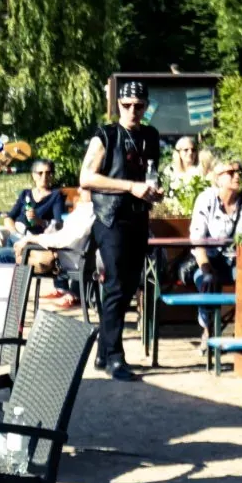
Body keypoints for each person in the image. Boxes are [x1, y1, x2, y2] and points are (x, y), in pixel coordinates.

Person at [81, 80, 164, 380]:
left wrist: (154, 191)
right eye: (127, 105)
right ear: (118, 105)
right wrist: (130, 186)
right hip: (110, 219)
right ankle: (115, 357)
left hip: (138, 218)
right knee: (116, 285)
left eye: (138, 106)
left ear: (146, 106)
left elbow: (151, 173)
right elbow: (86, 178)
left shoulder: (150, 136)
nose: (132, 111)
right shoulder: (106, 135)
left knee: (128, 286)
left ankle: (104, 353)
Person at [186, 157, 242, 292]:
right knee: (208, 285)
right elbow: (198, 242)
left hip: (238, 264)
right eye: (231, 172)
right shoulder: (206, 200)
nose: (237, 176)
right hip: (207, 262)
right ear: (218, 178)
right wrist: (207, 272)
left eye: (240, 172)